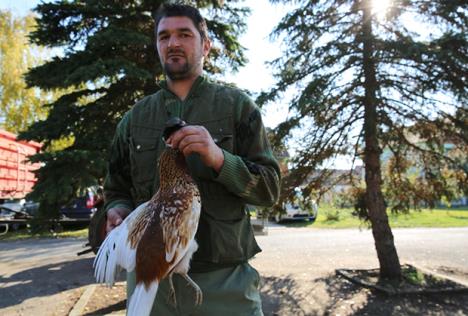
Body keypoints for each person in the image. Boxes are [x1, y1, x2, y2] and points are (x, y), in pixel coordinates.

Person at [103, 3, 281, 315]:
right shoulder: (134, 119)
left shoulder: (237, 107)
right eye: (164, 37)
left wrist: (219, 158)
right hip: (151, 286)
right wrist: (117, 212)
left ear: (206, 45)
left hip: (225, 285)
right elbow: (116, 187)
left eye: (184, 34)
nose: (173, 43)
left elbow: (269, 189)